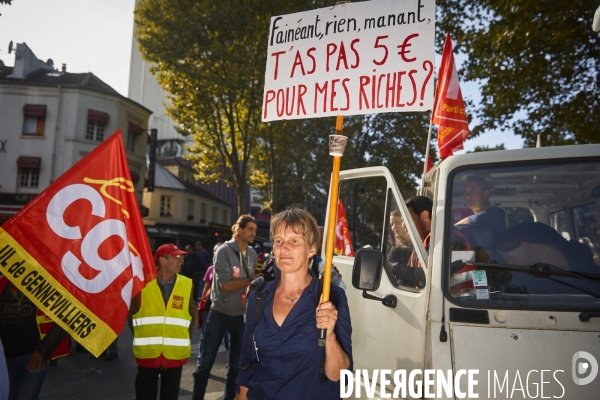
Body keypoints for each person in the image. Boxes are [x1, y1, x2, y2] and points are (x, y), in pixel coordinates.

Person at [236, 206, 352, 400]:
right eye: (279, 241)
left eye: (294, 241)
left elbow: (341, 377)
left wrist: (330, 335)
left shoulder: (331, 297)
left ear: (312, 249)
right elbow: (247, 363)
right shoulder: (258, 296)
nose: (284, 248)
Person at [193, 215, 258, 400]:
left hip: (240, 316)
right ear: (239, 230)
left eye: (254, 229)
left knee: (236, 367)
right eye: (250, 229)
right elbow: (226, 285)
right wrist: (251, 281)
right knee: (205, 364)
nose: (254, 232)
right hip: (219, 313)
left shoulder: (252, 254)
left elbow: (249, 284)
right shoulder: (223, 251)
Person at [128, 243, 195, 400]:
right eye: (176, 257)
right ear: (162, 260)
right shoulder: (143, 283)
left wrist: (183, 338)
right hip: (148, 355)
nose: (181, 261)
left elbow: (192, 315)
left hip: (174, 357)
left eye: (181, 257)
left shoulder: (186, 284)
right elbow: (132, 315)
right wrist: (142, 335)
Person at [0, 275, 69, 400]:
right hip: (4, 359)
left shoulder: (50, 283)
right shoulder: (4, 281)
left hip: (33, 358)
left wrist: (43, 351)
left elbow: (64, 320)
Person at [388, 196, 432, 289]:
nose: (404, 226)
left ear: (424, 216)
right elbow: (408, 280)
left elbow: (428, 278)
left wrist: (394, 267)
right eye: (403, 221)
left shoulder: (440, 245)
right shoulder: (418, 249)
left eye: (407, 219)